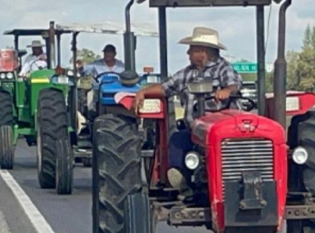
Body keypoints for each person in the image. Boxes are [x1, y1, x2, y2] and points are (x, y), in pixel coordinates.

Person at [133, 27, 242, 190]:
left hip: (224, 131)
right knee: (178, 140)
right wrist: (143, 92)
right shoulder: (187, 74)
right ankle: (182, 181)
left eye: (191, 49)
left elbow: (233, 85)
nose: (188, 53)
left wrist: (226, 91)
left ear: (203, 52)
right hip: (195, 131)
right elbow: (165, 88)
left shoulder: (223, 68)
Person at [76, 44, 126, 140]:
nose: (107, 54)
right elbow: (84, 70)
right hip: (98, 90)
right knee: (90, 97)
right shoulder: (97, 64)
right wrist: (81, 67)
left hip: (116, 91)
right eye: (106, 52)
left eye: (109, 52)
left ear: (114, 54)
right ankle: (90, 117)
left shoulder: (121, 66)